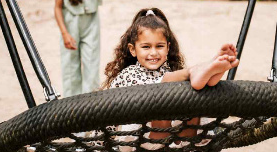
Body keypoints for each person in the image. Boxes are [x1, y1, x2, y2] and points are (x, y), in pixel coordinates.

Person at [102, 8, 239, 150]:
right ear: (132, 49)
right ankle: (196, 71)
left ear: (168, 48)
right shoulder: (128, 74)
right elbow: (108, 115)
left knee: (189, 94)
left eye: (159, 46)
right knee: (161, 91)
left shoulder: (171, 73)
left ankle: (209, 78)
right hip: (135, 141)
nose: (153, 53)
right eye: (146, 47)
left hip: (175, 142)